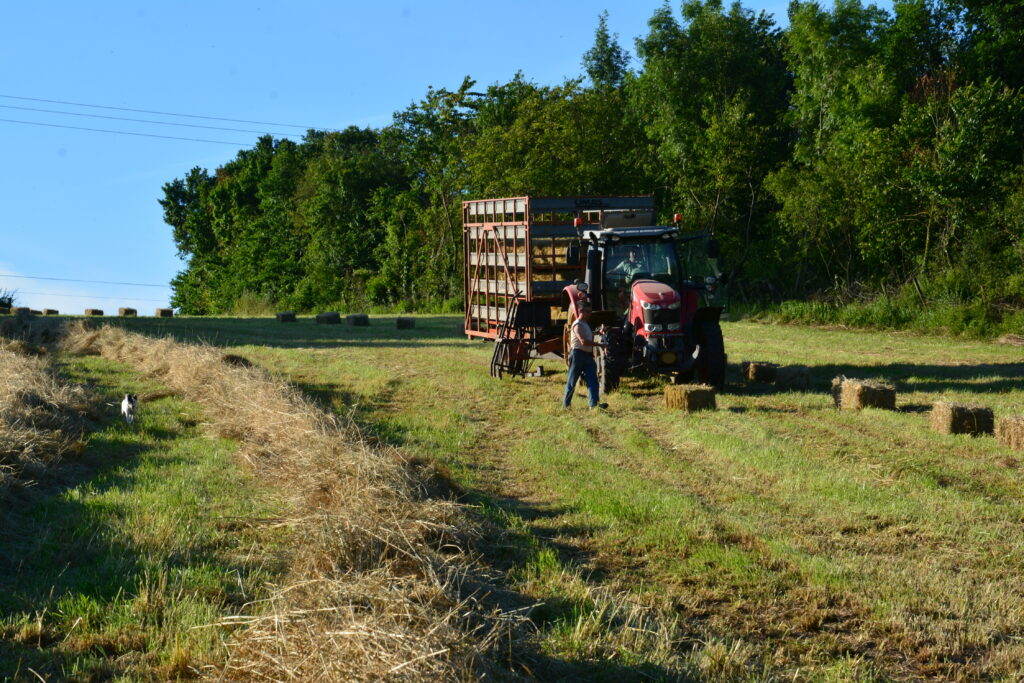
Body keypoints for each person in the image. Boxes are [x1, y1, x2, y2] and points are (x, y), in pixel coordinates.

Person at [563, 302, 608, 409]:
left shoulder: (585, 324)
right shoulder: (577, 324)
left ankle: (594, 405)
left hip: (587, 356)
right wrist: (599, 344)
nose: (590, 314)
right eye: (587, 312)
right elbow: (583, 341)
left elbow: (587, 335)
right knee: (571, 382)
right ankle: (566, 406)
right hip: (577, 355)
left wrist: (597, 333)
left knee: (593, 381)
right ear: (580, 311)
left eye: (590, 312)